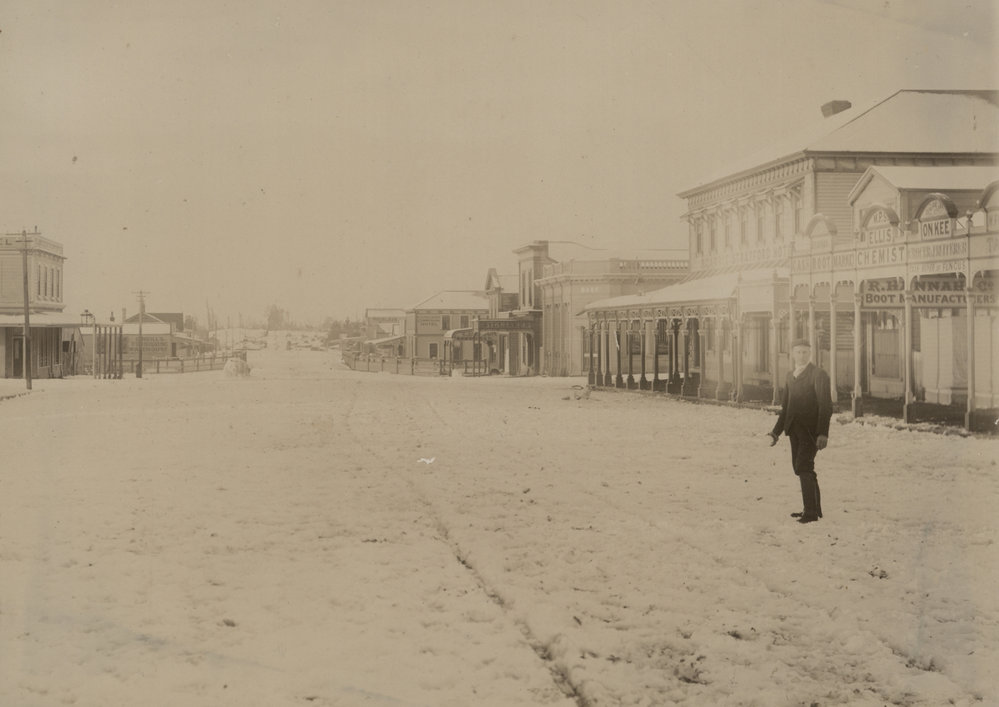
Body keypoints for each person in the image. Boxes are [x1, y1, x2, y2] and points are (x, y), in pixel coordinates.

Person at [768, 338, 833, 524]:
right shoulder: (790, 376)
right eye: (798, 352)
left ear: (810, 353)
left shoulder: (818, 375)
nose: (802, 355)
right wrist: (775, 432)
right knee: (801, 468)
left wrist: (823, 433)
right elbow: (786, 407)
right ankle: (813, 508)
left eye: (805, 352)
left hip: (811, 431)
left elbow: (825, 406)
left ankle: (811, 513)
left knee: (803, 466)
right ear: (792, 354)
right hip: (793, 430)